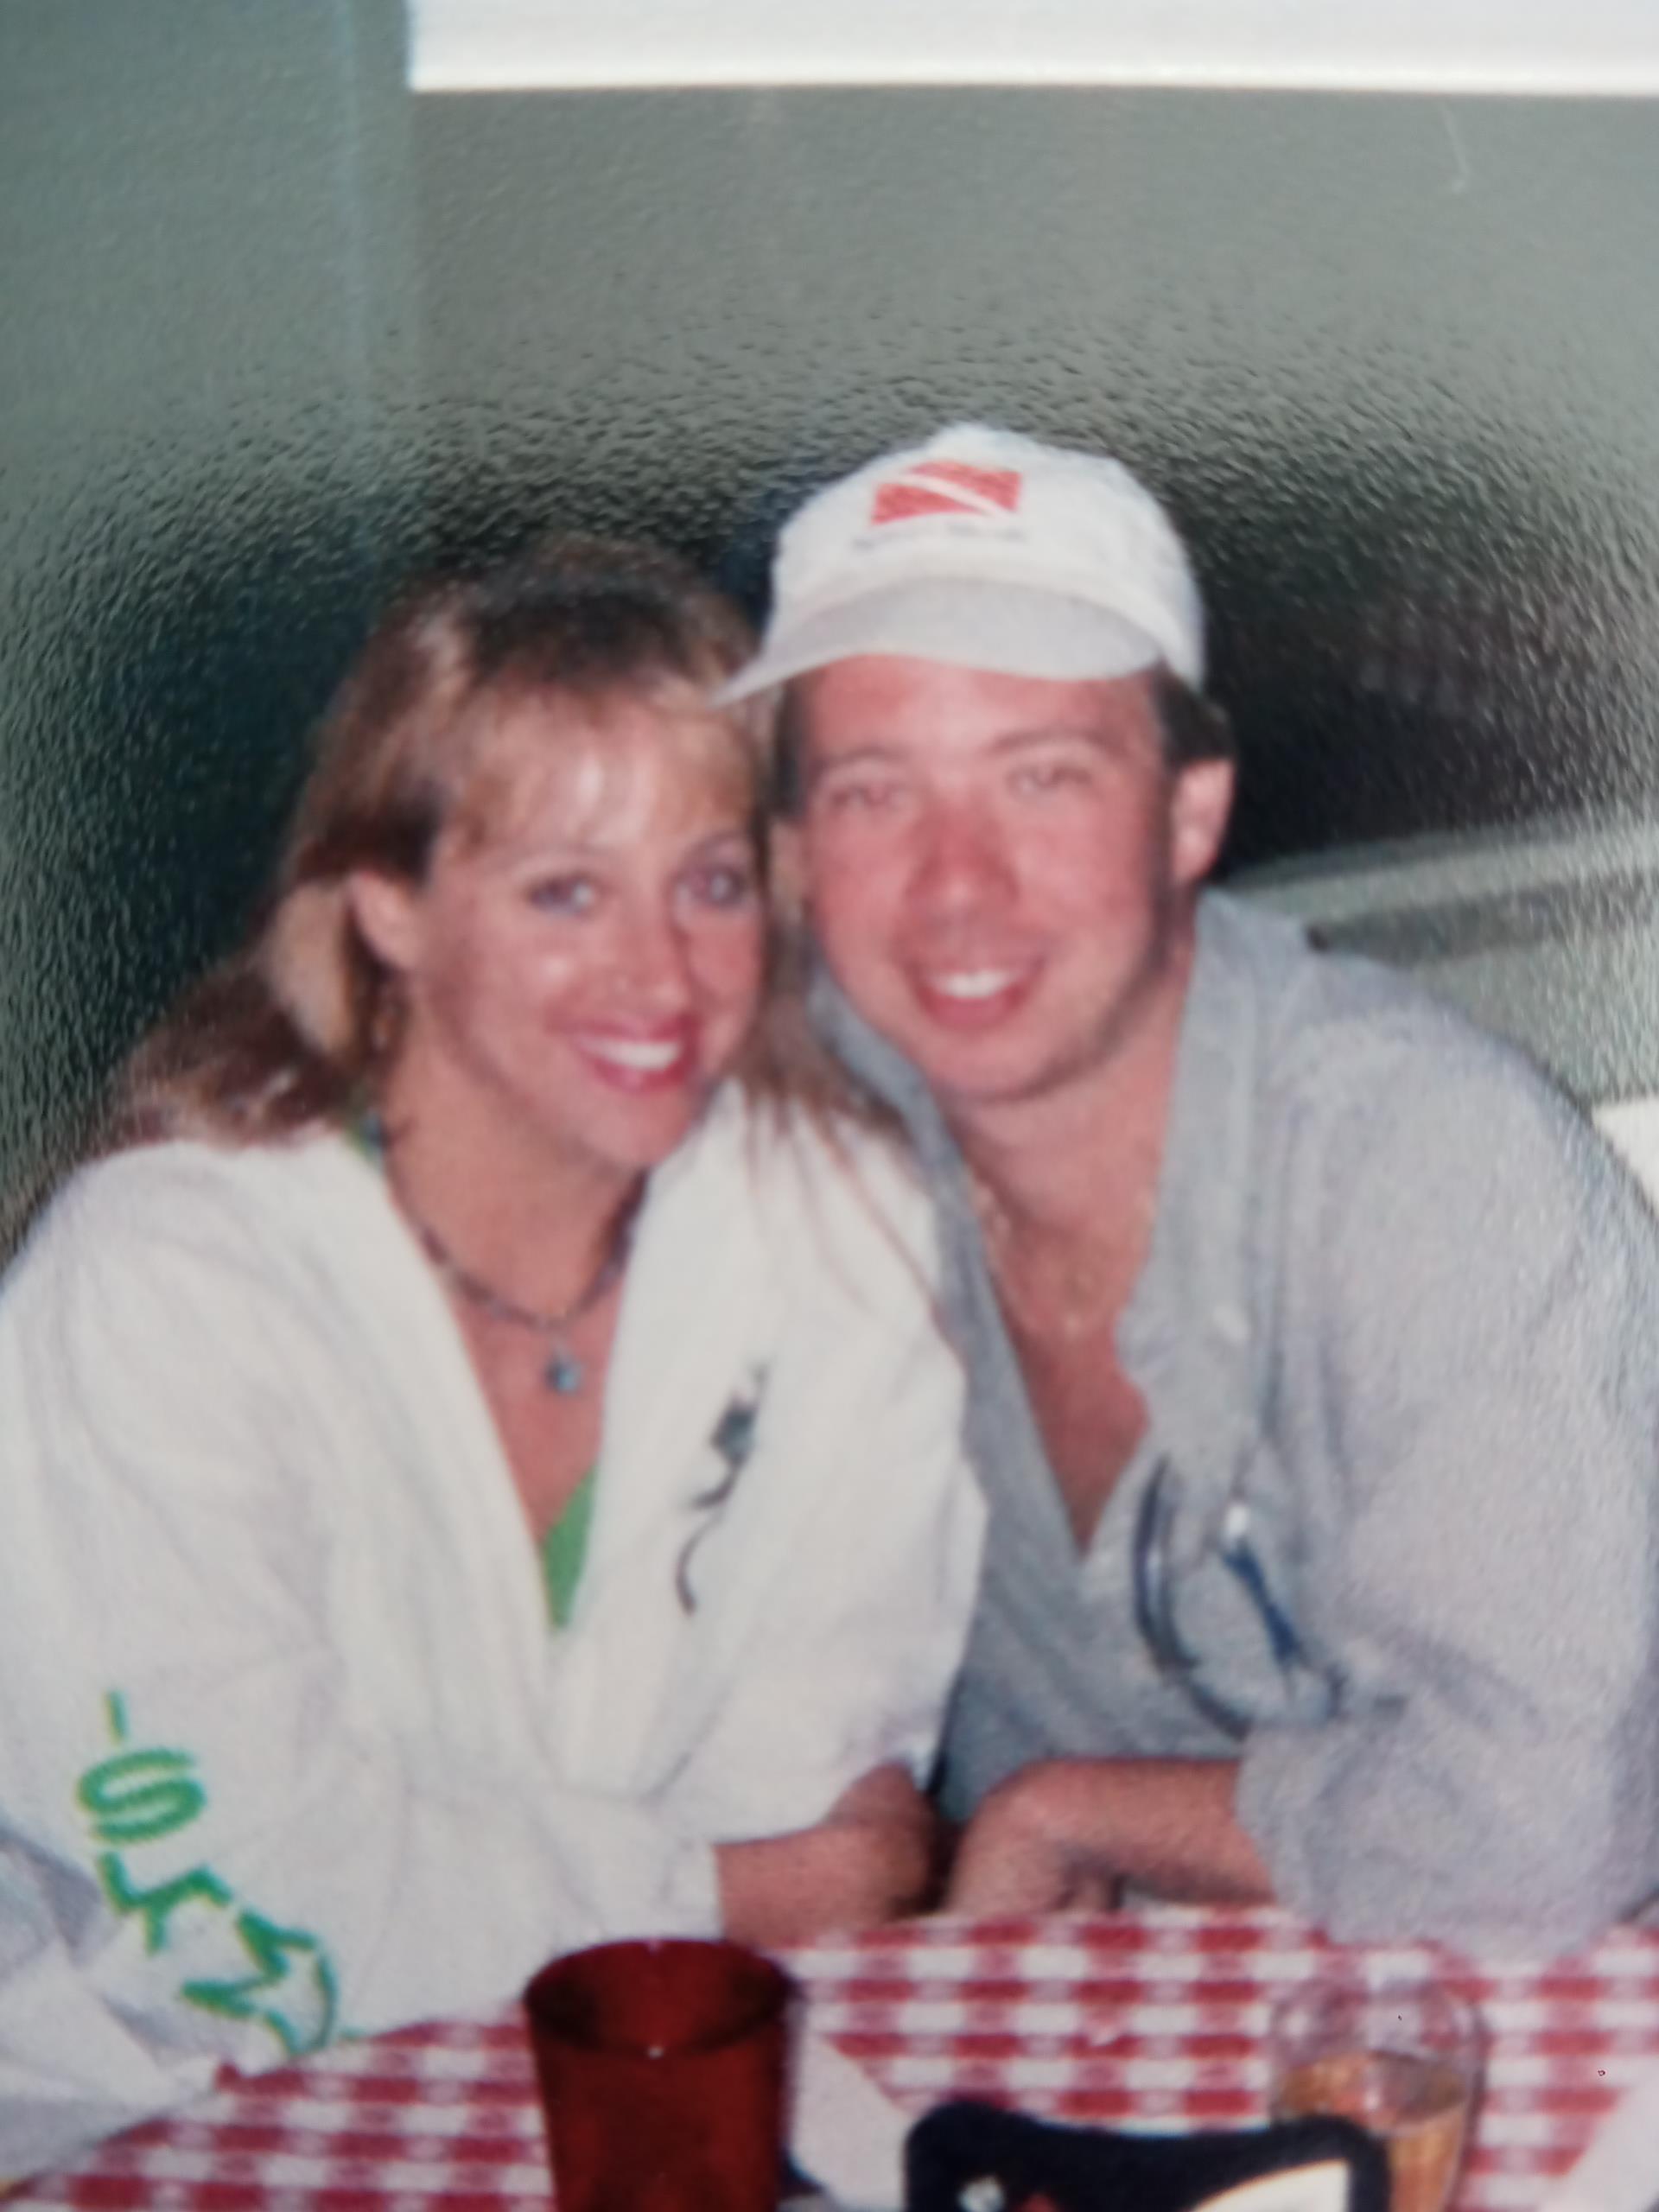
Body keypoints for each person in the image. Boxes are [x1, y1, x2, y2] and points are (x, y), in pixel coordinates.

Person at [0, 539, 981, 2179]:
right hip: (145, 2110)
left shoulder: (843, 1234)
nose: (661, 975)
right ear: (389, 908)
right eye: (564, 892)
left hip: (661, 2096)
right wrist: (726, 1893)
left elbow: (822, 1781)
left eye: (712, 881)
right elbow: (245, 1901)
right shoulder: (163, 1283)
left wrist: (728, 1901)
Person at [721, 418, 1659, 1955]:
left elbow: (1553, 1823)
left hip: (1512, 2044)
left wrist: (1074, 1808)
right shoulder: (805, 1115)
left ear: (1188, 812)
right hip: (1069, 2054)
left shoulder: (1427, 1172)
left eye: (1041, 778)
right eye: (877, 792)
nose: (958, 882)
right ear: (797, 849)